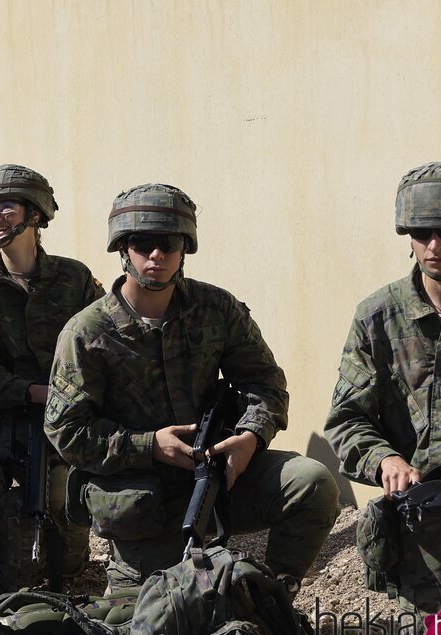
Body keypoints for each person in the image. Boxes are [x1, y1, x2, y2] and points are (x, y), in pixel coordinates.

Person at [44, 183, 340, 593]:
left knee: (312, 483)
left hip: (220, 476)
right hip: (144, 502)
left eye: (168, 243)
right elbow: (67, 433)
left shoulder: (216, 309)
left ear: (185, 249)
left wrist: (251, 436)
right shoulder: (87, 333)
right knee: (152, 622)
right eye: (142, 243)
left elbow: (265, 381)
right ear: (122, 249)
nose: (156, 255)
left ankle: (273, 598)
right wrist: (150, 445)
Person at [325, 161, 441, 635]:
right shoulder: (379, 317)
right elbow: (347, 418)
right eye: (420, 232)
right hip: (433, 536)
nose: (434, 244)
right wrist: (385, 459)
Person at [0, 164, 102, 588]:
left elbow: (103, 347)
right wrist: (37, 393)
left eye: (4, 207)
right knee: (17, 527)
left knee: (70, 554)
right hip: (10, 419)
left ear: (35, 215)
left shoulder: (73, 277)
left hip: (71, 418)